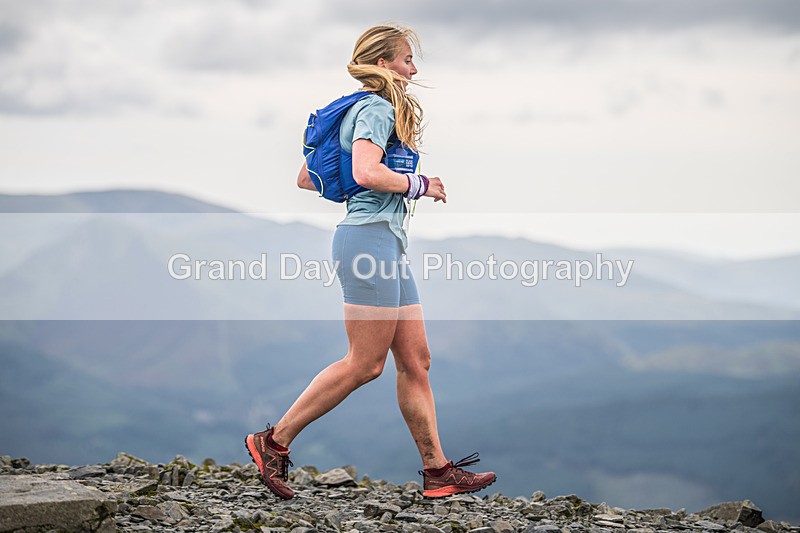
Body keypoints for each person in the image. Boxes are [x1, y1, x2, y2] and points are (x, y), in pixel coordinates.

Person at [245, 24, 496, 500]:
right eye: (406, 60)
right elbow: (364, 170)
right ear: (382, 64)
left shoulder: (360, 109)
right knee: (365, 364)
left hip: (385, 241)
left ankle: (437, 471)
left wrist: (366, 193)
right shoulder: (376, 109)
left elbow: (306, 177)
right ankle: (272, 441)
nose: (413, 70)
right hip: (369, 243)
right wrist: (419, 184)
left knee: (416, 361)